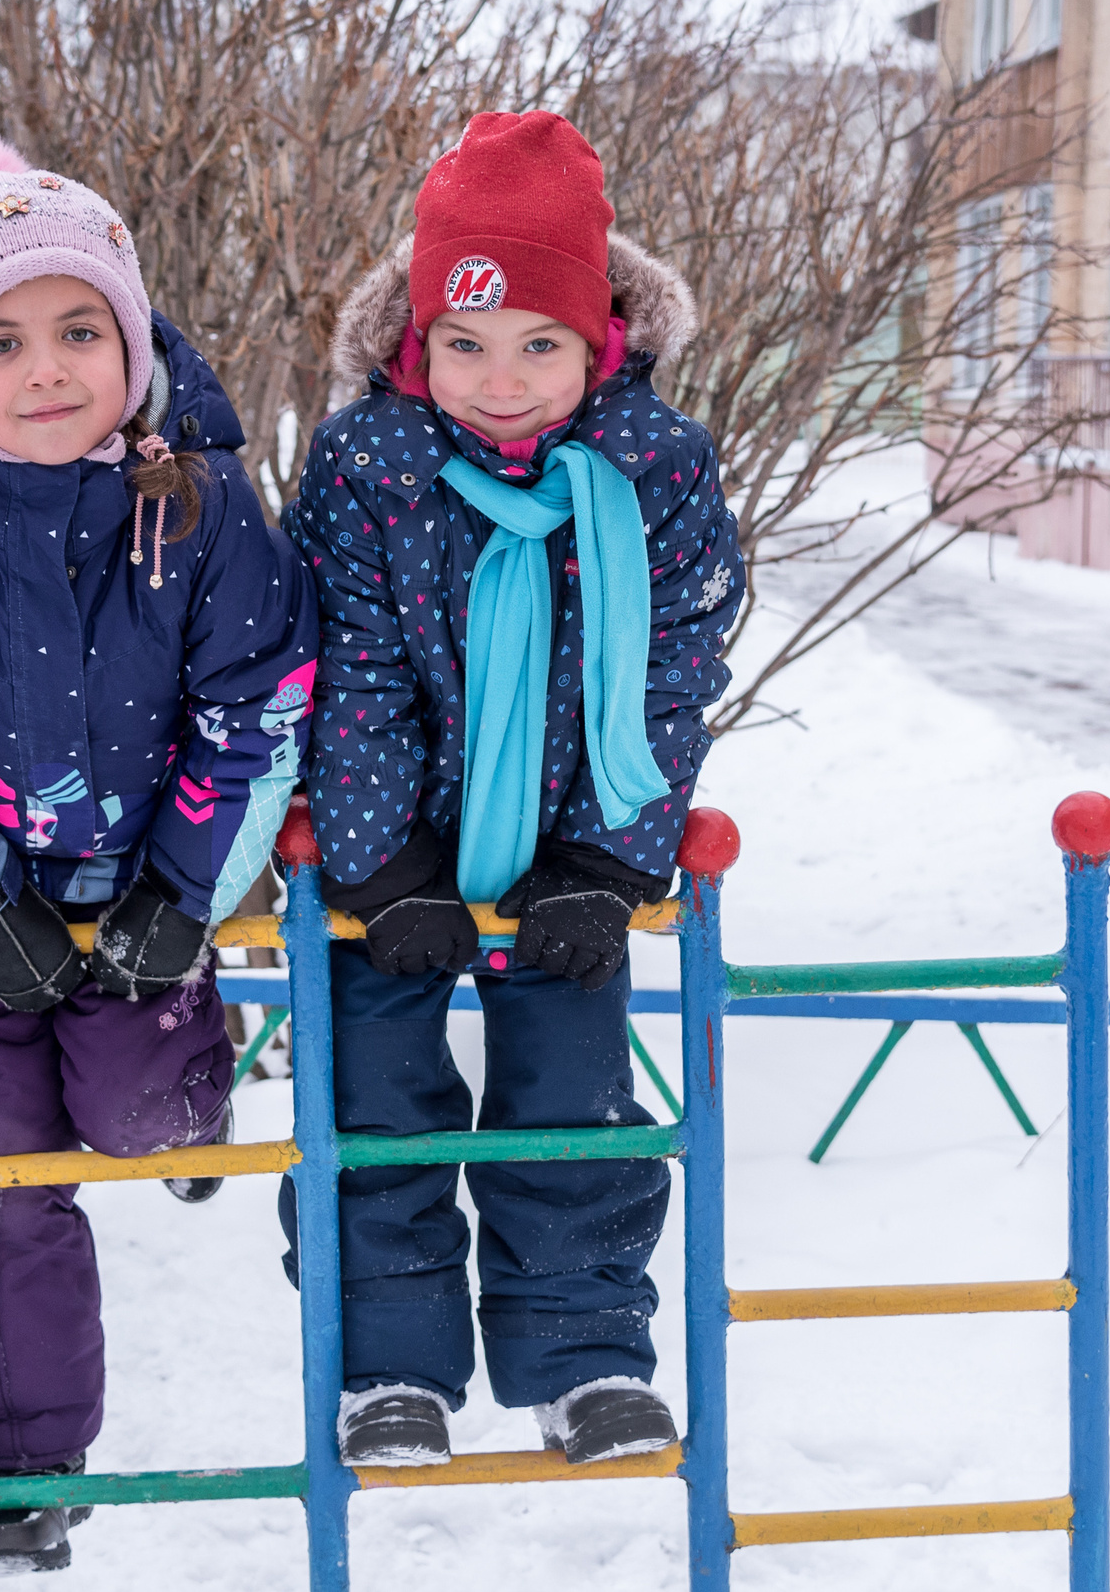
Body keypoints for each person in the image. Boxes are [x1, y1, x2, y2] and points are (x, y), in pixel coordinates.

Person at [0, 123, 316, 1574]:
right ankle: (31, 1465)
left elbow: (259, 700)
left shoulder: (202, 505)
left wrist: (188, 890)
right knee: (5, 1182)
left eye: (79, 330)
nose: (46, 370)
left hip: (143, 887)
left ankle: (189, 1100)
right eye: (4, 341)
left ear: (133, 337)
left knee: (138, 1112)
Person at [282, 111, 744, 1470]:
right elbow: (351, 662)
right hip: (403, 848)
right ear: (416, 343)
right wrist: (379, 864)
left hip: (572, 845)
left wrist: (609, 862)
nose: (501, 381)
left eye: (540, 345)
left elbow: (672, 664)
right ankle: (389, 1361)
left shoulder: (655, 465)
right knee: (377, 1096)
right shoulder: (370, 460)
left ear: (600, 339)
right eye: (464, 346)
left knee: (571, 1091)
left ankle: (584, 1349)